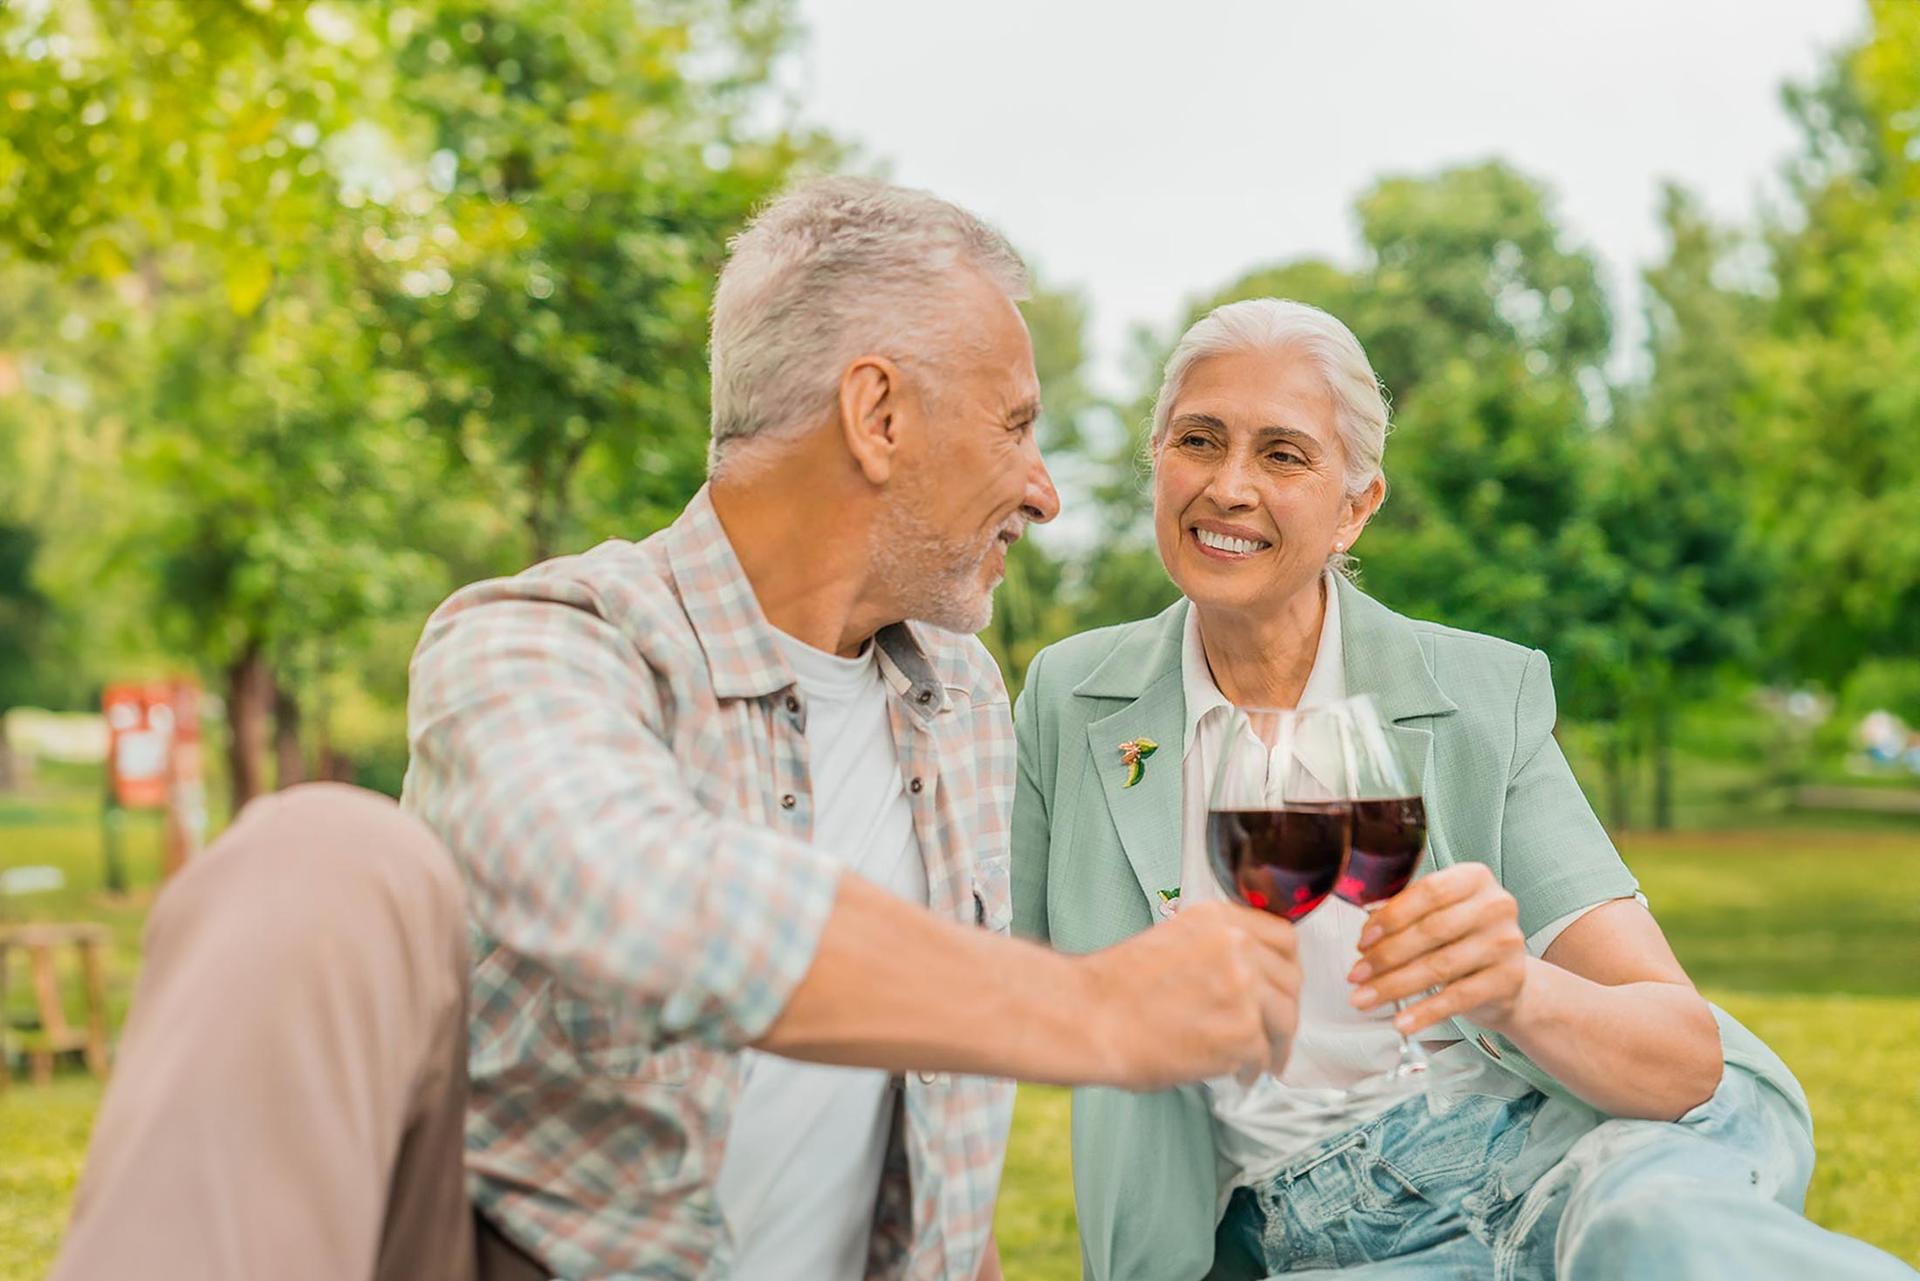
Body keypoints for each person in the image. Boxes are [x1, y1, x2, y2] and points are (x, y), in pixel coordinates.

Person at [50, 181, 1305, 1281]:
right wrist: (1090, 1012)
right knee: (319, 854)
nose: (1044, 488)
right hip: (517, 1255)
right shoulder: (543, 644)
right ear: (878, 415)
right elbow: (645, 898)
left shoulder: (965, 702)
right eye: (1016, 425)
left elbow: (936, 1165)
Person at [1009, 297, 1918, 1280]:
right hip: (1311, 1228)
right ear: (1156, 461)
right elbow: (979, 994)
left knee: (1649, 1238)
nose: (1230, 486)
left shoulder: (1481, 694)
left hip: (1569, 1143)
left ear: (1356, 505)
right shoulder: (1071, 697)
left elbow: (1679, 1050)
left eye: (1283, 455)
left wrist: (1515, 989)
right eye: (1199, 440)